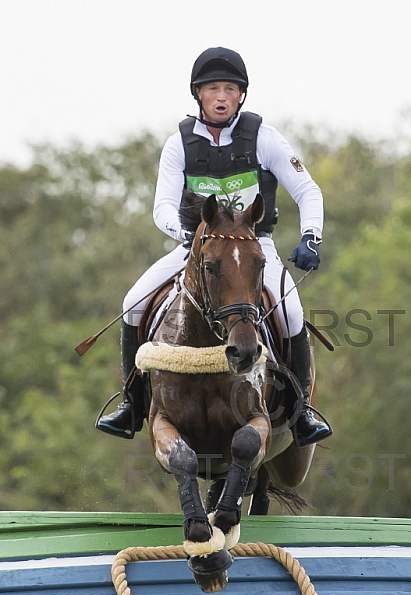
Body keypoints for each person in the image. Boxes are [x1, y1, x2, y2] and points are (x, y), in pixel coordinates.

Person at [97, 46, 332, 447]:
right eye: (212, 88)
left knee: (291, 310)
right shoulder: (179, 145)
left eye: (230, 88)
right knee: (133, 303)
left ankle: (300, 410)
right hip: (198, 248)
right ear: (198, 95)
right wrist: (188, 236)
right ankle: (132, 404)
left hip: (254, 249)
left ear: (241, 95)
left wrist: (311, 235)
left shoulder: (265, 138)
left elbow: (308, 190)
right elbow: (162, 208)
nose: (221, 96)